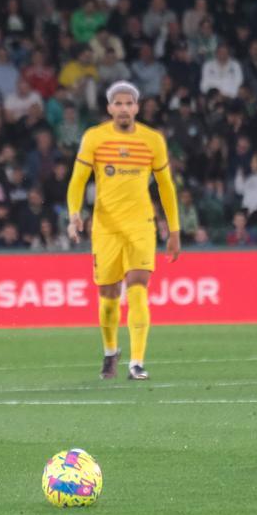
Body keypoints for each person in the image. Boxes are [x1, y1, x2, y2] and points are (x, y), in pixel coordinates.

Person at [66, 81, 180, 381]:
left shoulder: (152, 140)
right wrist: (74, 214)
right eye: (118, 103)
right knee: (108, 296)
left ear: (137, 107)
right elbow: (78, 180)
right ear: (109, 108)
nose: (124, 108)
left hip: (141, 224)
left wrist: (175, 230)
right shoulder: (95, 137)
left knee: (138, 288)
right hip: (105, 227)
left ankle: (137, 362)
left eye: (129, 103)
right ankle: (110, 351)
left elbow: (166, 187)